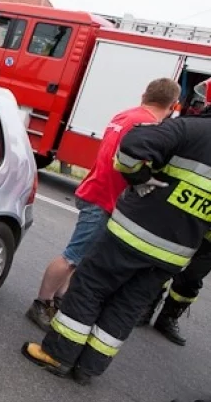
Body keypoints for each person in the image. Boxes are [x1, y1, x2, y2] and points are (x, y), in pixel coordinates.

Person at [22, 104, 211, 384]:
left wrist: (139, 179)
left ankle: (58, 355)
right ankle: (88, 368)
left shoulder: (190, 127)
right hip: (174, 254)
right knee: (127, 306)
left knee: (90, 287)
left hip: (133, 234)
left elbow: (132, 146)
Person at [25, 79, 181, 330]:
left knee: (81, 257)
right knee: (73, 256)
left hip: (95, 189)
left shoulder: (126, 115)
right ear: (174, 105)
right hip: (104, 198)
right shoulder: (150, 126)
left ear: (145, 94)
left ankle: (58, 301)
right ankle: (41, 304)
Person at [137, 238, 210, 345]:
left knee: (193, 276)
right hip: (192, 224)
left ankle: (168, 317)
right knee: (167, 260)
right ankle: (148, 305)